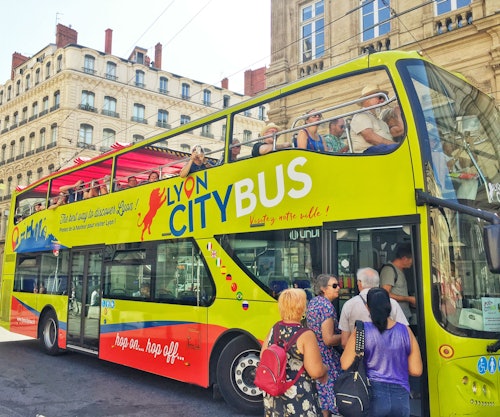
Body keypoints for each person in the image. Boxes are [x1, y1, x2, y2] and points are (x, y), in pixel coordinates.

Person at [340, 288, 422, 417]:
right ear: (389, 305)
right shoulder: (406, 331)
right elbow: (416, 370)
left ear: (368, 307)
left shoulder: (361, 330)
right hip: (400, 397)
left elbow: (345, 364)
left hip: (372, 396)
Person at [262, 288, 328, 417]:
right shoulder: (306, 335)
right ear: (302, 307)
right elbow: (315, 371)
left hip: (275, 394)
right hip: (298, 397)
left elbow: (263, 355)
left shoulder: (275, 329)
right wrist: (325, 369)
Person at [338, 267, 408, 348]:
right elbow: (405, 333)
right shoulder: (392, 303)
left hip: (359, 353)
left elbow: (344, 342)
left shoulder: (349, 305)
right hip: (389, 351)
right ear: (378, 283)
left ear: (359, 283)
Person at [305, 274, 342, 417]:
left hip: (314, 352)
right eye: (334, 286)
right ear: (323, 289)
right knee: (330, 392)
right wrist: (348, 336)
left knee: (321, 393)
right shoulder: (326, 307)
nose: (338, 288)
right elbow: (328, 339)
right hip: (326, 355)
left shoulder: (313, 302)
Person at [350, 85, 397, 153]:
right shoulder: (361, 115)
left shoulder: (379, 120)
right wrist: (396, 146)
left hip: (384, 151)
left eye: (383, 97)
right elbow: (370, 137)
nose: (382, 100)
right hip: (369, 153)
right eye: (379, 97)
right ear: (367, 99)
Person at [380, 243, 416, 323]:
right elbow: (385, 294)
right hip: (395, 317)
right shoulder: (389, 270)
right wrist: (408, 299)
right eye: (411, 259)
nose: (412, 262)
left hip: (404, 314)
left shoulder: (401, 271)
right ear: (404, 259)